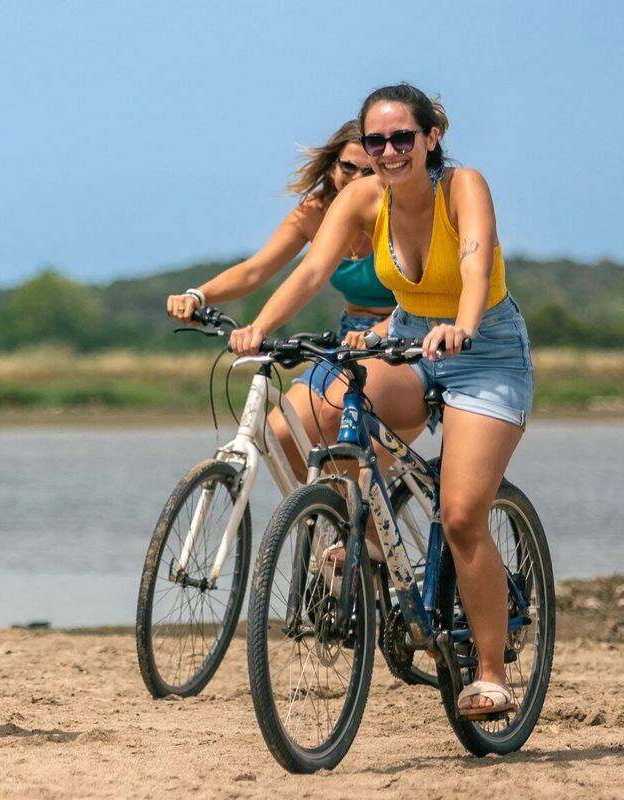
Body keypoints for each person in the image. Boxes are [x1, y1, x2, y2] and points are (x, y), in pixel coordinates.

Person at [228, 83, 533, 719]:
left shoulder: (462, 187)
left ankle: (491, 672)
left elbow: (475, 265)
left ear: (431, 139)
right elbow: (311, 272)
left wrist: (464, 325)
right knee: (312, 411)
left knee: (460, 516)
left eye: (402, 138)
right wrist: (261, 327)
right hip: (409, 340)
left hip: (485, 350)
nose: (389, 151)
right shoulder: (366, 196)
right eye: (376, 140)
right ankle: (364, 531)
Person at [165, 120, 398, 480]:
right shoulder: (316, 212)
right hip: (349, 336)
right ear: (332, 166)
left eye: (367, 171)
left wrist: (383, 330)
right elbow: (256, 270)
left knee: (340, 429)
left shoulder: (399, 212)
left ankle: (358, 529)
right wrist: (198, 295)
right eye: (346, 167)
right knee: (278, 434)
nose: (354, 179)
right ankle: (324, 519)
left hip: (401, 334)